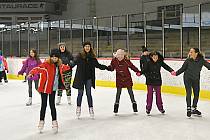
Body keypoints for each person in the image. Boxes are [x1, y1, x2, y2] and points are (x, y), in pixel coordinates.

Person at [28, 48, 71, 133]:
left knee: (52, 105)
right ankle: (41, 121)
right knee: (44, 105)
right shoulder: (46, 64)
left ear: (58, 58)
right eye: (52, 57)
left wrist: (69, 66)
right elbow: (38, 68)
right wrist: (31, 72)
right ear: (50, 57)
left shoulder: (59, 65)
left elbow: (65, 68)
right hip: (44, 88)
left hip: (53, 89)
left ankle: (54, 122)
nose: (54, 59)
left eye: (56, 57)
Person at [72, 41, 108, 119]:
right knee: (80, 94)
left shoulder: (92, 58)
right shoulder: (79, 56)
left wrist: (107, 67)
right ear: (83, 48)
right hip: (80, 78)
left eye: (88, 46)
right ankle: (78, 108)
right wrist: (67, 66)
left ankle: (91, 109)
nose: (87, 48)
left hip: (88, 79)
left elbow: (98, 65)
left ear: (90, 47)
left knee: (89, 94)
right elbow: (73, 63)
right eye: (86, 46)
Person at [173, 48, 210, 117]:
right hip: (187, 78)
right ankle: (189, 108)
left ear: (196, 53)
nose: (190, 53)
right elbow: (183, 69)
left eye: (191, 52)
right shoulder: (188, 60)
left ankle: (194, 108)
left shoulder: (201, 61)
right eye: (190, 52)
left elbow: (208, 66)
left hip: (196, 79)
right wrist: (176, 73)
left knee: (196, 93)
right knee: (189, 92)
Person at [107, 49, 141, 114]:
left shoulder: (126, 61)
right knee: (118, 93)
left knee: (130, 92)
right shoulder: (114, 61)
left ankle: (134, 106)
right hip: (119, 79)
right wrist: (109, 68)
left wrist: (137, 71)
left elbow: (132, 66)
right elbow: (112, 68)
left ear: (123, 55)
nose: (120, 56)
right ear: (116, 55)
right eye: (118, 55)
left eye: (121, 55)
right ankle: (116, 108)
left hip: (127, 78)